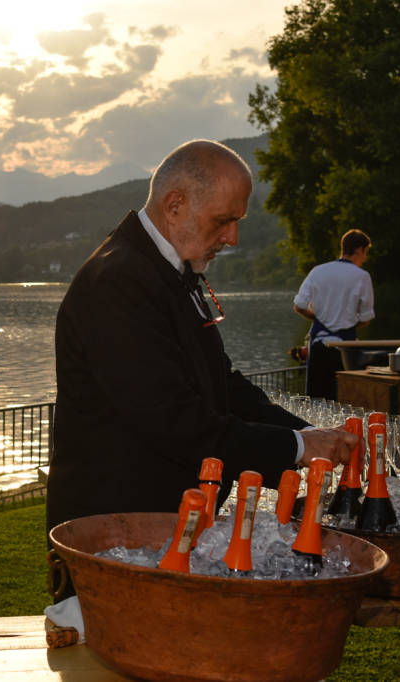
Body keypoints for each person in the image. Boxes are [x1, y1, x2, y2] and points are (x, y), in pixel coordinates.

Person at [46, 140, 358, 567]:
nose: (232, 237)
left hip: (164, 532)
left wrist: (311, 435)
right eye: (224, 221)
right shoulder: (117, 282)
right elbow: (176, 424)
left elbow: (222, 382)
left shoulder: (172, 270)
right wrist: (297, 447)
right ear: (175, 205)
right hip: (114, 544)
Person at [293, 230, 374, 399]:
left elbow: (299, 306)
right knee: (344, 400)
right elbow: (366, 318)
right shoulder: (362, 276)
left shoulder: (318, 271)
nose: (365, 258)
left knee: (315, 400)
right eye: (365, 253)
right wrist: (349, 324)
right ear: (359, 250)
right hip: (346, 350)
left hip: (318, 347)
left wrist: (318, 319)